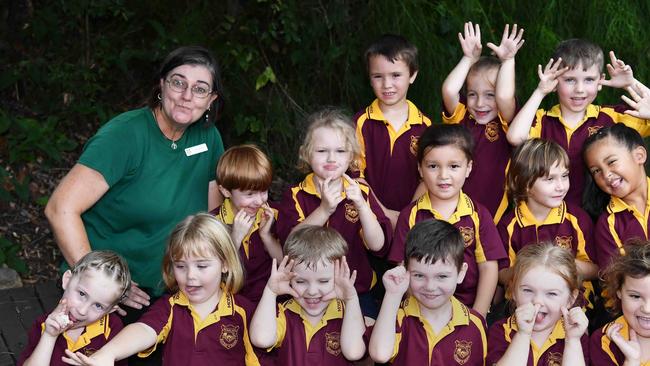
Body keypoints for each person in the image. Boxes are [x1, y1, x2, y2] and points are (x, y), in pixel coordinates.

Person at [45, 46, 226, 311]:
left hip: (173, 290)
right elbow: (60, 208)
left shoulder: (208, 138)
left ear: (211, 100)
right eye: (178, 83)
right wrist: (104, 284)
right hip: (106, 296)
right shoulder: (125, 135)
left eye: (199, 89)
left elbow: (211, 220)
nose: (187, 96)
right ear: (161, 86)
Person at [62, 214, 261, 365]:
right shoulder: (171, 307)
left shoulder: (244, 311)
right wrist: (108, 353)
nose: (191, 276)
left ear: (225, 264)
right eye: (181, 266)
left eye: (202, 266)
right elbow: (144, 330)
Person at [276, 108, 392, 318]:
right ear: (306, 154)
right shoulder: (296, 195)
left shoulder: (360, 191)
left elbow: (378, 245)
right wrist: (324, 210)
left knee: (362, 344)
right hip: (307, 293)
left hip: (356, 289)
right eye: (321, 151)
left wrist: (362, 206)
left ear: (352, 157)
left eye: (340, 151)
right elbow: (290, 244)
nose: (331, 158)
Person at [507, 39, 650, 206]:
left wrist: (630, 84)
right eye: (570, 80)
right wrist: (540, 91)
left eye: (589, 79)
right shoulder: (542, 120)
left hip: (602, 221)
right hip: (551, 221)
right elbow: (515, 137)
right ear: (555, 80)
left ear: (600, 81)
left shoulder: (612, 117)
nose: (580, 89)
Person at [387, 124, 506, 317]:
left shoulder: (479, 215)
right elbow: (402, 266)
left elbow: (488, 267)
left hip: (468, 309)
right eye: (433, 166)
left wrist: (479, 315)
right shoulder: (410, 215)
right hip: (420, 309)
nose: (443, 176)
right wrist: (416, 312)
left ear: (468, 168)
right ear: (420, 169)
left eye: (453, 166)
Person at [369, 219, 487, 365]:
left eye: (442, 276)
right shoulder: (397, 316)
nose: (430, 286)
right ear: (406, 270)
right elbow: (379, 354)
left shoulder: (475, 324)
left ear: (461, 273)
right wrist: (393, 294)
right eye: (419, 275)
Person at [497, 139, 598, 306]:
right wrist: (531, 268)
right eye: (550, 179)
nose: (561, 186)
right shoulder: (509, 225)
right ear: (525, 183)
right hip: (525, 304)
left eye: (564, 176)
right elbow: (501, 274)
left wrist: (558, 265)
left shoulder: (577, 219)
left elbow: (597, 269)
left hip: (573, 305)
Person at [441, 22, 523, 222]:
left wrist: (508, 62)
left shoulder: (507, 122)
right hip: (453, 210)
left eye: (489, 95)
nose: (479, 103)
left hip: (495, 213)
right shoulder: (462, 117)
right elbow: (450, 91)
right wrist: (468, 59)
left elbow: (504, 97)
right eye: (472, 94)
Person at [249, 225, 367, 365]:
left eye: (323, 281)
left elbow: (354, 353)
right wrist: (270, 291)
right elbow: (261, 339)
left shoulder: (347, 313)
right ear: (289, 279)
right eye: (300, 281)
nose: (312, 291)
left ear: (339, 275)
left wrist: (351, 299)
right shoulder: (284, 313)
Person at [354, 34, 431, 228]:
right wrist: (384, 213)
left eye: (396, 75)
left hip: (412, 222)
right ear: (370, 79)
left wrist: (406, 217)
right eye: (378, 76)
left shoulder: (425, 126)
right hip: (368, 218)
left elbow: (428, 177)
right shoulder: (360, 123)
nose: (387, 84)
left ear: (412, 75)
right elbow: (355, 178)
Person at [18, 251, 131, 366]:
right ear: (67, 280)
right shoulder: (44, 326)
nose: (82, 311)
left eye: (98, 306)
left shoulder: (111, 329)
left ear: (110, 310)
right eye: (82, 294)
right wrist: (49, 336)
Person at [486, 243, 589, 365]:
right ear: (512, 291)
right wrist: (523, 334)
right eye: (528, 290)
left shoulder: (577, 336)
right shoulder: (501, 331)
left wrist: (572, 340)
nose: (538, 301)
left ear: (571, 299)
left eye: (551, 294)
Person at [212, 144, 283, 304]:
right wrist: (234, 239)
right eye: (250, 194)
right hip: (230, 304)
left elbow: (291, 267)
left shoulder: (275, 214)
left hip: (273, 301)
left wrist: (267, 237)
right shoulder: (213, 224)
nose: (259, 200)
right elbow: (209, 277)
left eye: (264, 191)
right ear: (225, 191)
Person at [590, 241, 650, 365]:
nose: (647, 309)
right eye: (635, 296)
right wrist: (631, 361)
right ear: (619, 291)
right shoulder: (604, 340)